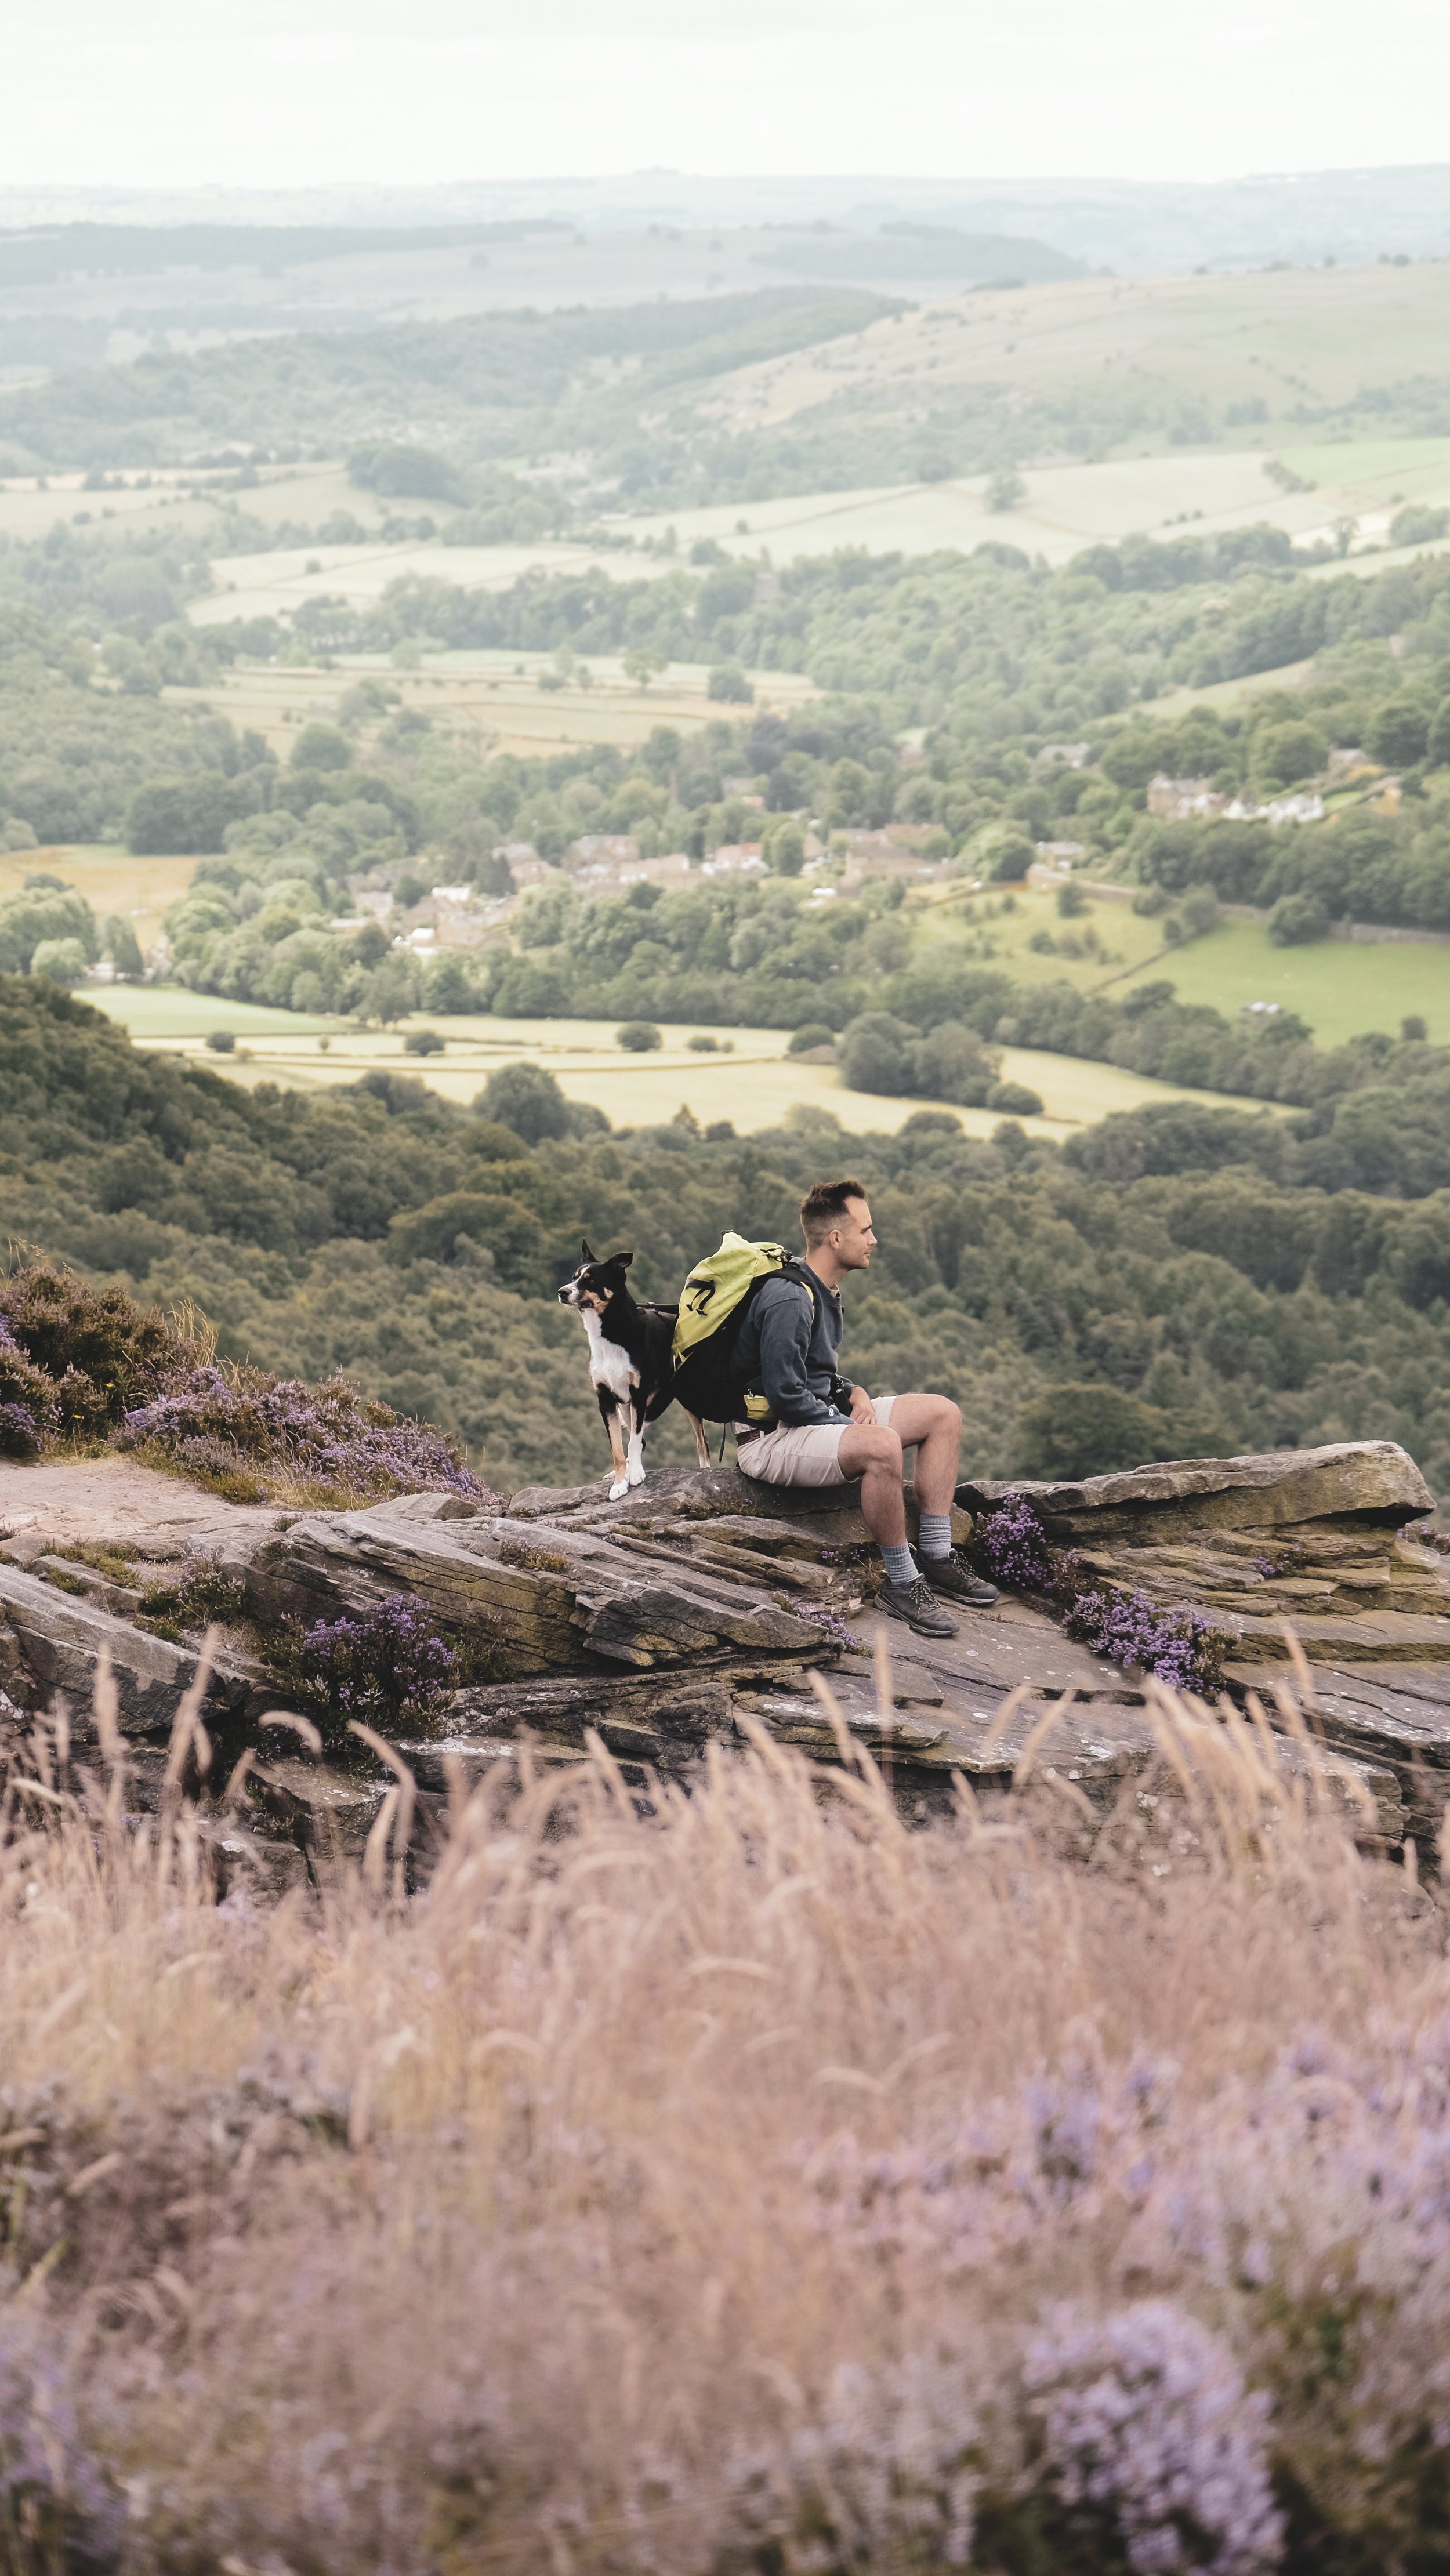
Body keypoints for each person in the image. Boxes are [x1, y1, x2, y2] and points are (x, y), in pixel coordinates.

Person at [731, 1177, 998, 1638]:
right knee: (882, 1446)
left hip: (811, 1417)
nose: (874, 1240)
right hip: (771, 1439)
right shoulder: (789, 1297)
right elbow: (785, 1396)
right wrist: (847, 1425)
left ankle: (935, 1554)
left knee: (942, 1414)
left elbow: (813, 1371)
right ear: (837, 1238)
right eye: (866, 1230)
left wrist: (851, 1392)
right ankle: (900, 1581)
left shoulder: (822, 1288)